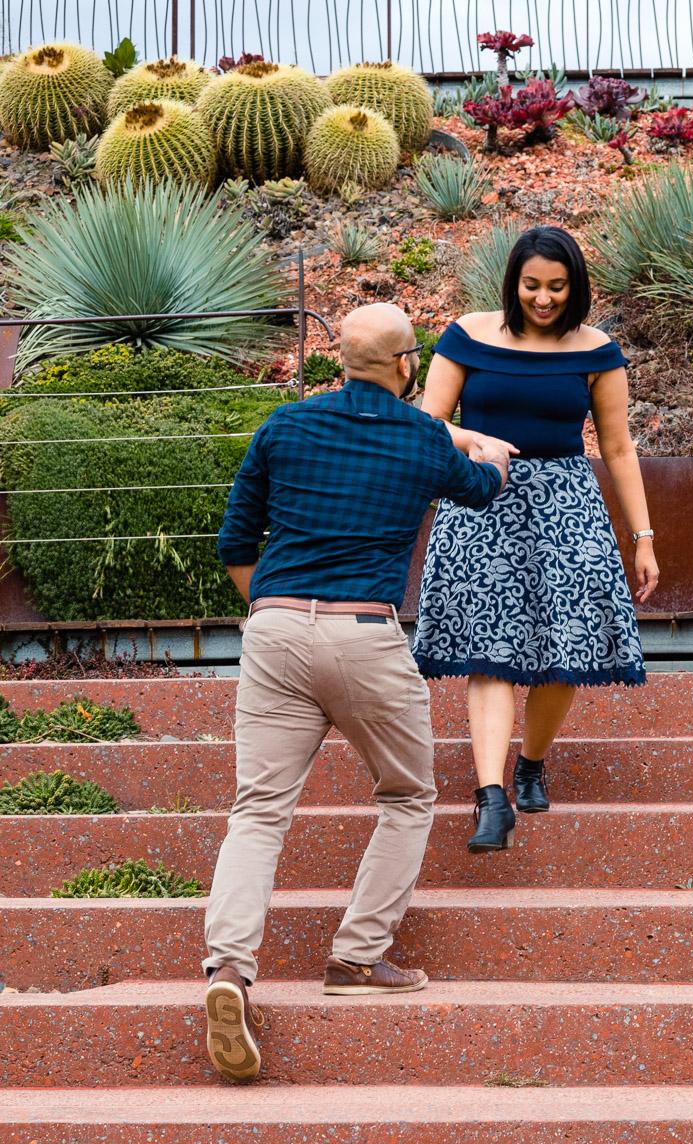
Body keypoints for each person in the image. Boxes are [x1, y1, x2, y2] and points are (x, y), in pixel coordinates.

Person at [202, 302, 508, 1084]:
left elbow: (236, 541)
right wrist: (493, 456)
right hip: (366, 635)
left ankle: (230, 973)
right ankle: (357, 957)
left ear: (340, 360)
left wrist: (273, 612)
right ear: (407, 364)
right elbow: (478, 489)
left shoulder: (284, 427)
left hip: (273, 629)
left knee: (258, 810)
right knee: (407, 796)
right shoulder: (418, 437)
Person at [412, 224, 659, 852]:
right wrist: (476, 443)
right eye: (531, 286)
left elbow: (618, 446)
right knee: (490, 653)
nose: (543, 298)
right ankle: (491, 798)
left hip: (568, 508)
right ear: (512, 282)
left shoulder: (597, 349)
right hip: (482, 501)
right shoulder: (468, 336)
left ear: (574, 286)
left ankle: (531, 762)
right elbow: (427, 425)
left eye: (556, 287)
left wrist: (643, 536)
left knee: (568, 648)